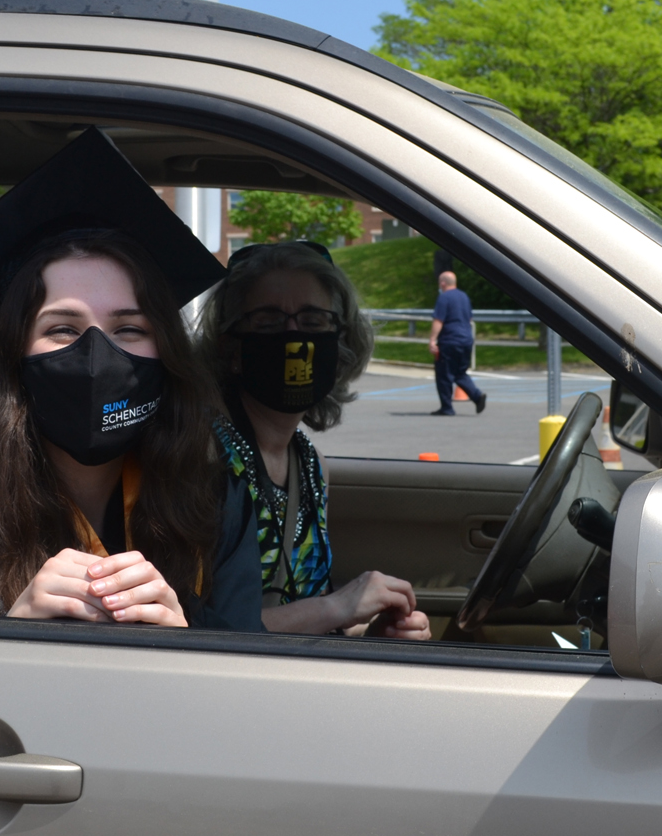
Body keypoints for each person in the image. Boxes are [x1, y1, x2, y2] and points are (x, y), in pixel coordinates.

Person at [0, 128, 263, 630]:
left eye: (128, 328)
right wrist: (10, 638)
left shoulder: (214, 504)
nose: (97, 357)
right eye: (63, 329)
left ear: (167, 351)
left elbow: (243, 684)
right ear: (15, 355)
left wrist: (188, 647)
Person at [201, 241, 431, 639]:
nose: (294, 337)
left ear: (339, 343)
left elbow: (303, 610)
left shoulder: (309, 464)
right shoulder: (201, 455)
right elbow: (205, 629)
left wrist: (376, 633)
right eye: (269, 322)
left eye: (313, 322)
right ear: (231, 347)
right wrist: (339, 607)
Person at [428, 270, 486, 417]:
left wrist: (432, 340)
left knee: (444, 374)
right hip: (466, 340)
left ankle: (447, 408)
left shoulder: (444, 298)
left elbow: (438, 320)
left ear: (443, 283)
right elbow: (469, 320)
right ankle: (477, 396)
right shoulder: (464, 296)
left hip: (450, 340)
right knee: (460, 372)